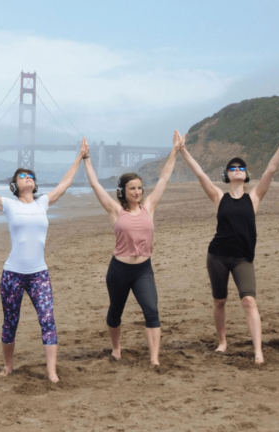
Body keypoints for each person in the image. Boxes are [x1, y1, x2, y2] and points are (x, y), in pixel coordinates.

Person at [0, 139, 89, 383]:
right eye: (22, 176)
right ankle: (8, 366)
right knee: (10, 322)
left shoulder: (43, 203)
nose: (28, 177)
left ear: (35, 184)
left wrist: (79, 157)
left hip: (39, 273)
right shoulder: (9, 205)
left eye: (31, 175)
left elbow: (65, 183)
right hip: (13, 274)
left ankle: (51, 371)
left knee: (47, 319)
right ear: (15, 185)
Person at [180, 117, 279, 364]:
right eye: (233, 168)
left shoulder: (254, 198)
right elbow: (199, 173)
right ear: (226, 175)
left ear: (247, 174)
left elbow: (271, 170)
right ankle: (222, 342)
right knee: (219, 300)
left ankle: (258, 351)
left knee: (249, 300)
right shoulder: (219, 197)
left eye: (241, 167)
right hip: (217, 256)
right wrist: (184, 150)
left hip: (243, 258)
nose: (238, 169)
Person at [83, 131, 183, 365]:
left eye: (139, 188)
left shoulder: (149, 207)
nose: (137, 192)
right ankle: (116, 348)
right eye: (132, 189)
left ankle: (155, 358)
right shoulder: (115, 211)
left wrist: (174, 151)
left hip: (143, 270)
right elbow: (95, 184)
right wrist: (86, 158)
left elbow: (163, 179)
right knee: (115, 312)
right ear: (123, 192)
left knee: (151, 310)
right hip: (119, 270)